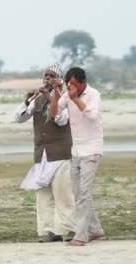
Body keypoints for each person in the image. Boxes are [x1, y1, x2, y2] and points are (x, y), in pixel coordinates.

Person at [14, 63, 75, 243]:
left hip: (61, 154)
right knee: (43, 196)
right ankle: (48, 231)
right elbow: (19, 118)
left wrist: (51, 97)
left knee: (63, 195)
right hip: (42, 155)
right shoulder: (37, 99)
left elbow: (61, 120)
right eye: (45, 76)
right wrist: (27, 101)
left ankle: (68, 229)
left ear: (60, 79)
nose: (47, 79)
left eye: (51, 76)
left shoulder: (66, 97)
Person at [50, 67, 104, 246]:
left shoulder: (93, 94)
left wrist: (75, 99)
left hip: (92, 150)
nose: (70, 87)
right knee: (79, 193)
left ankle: (81, 235)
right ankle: (95, 229)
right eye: (68, 84)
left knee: (84, 194)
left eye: (73, 84)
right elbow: (55, 115)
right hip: (77, 151)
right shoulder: (68, 94)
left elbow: (91, 115)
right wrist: (58, 94)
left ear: (83, 82)